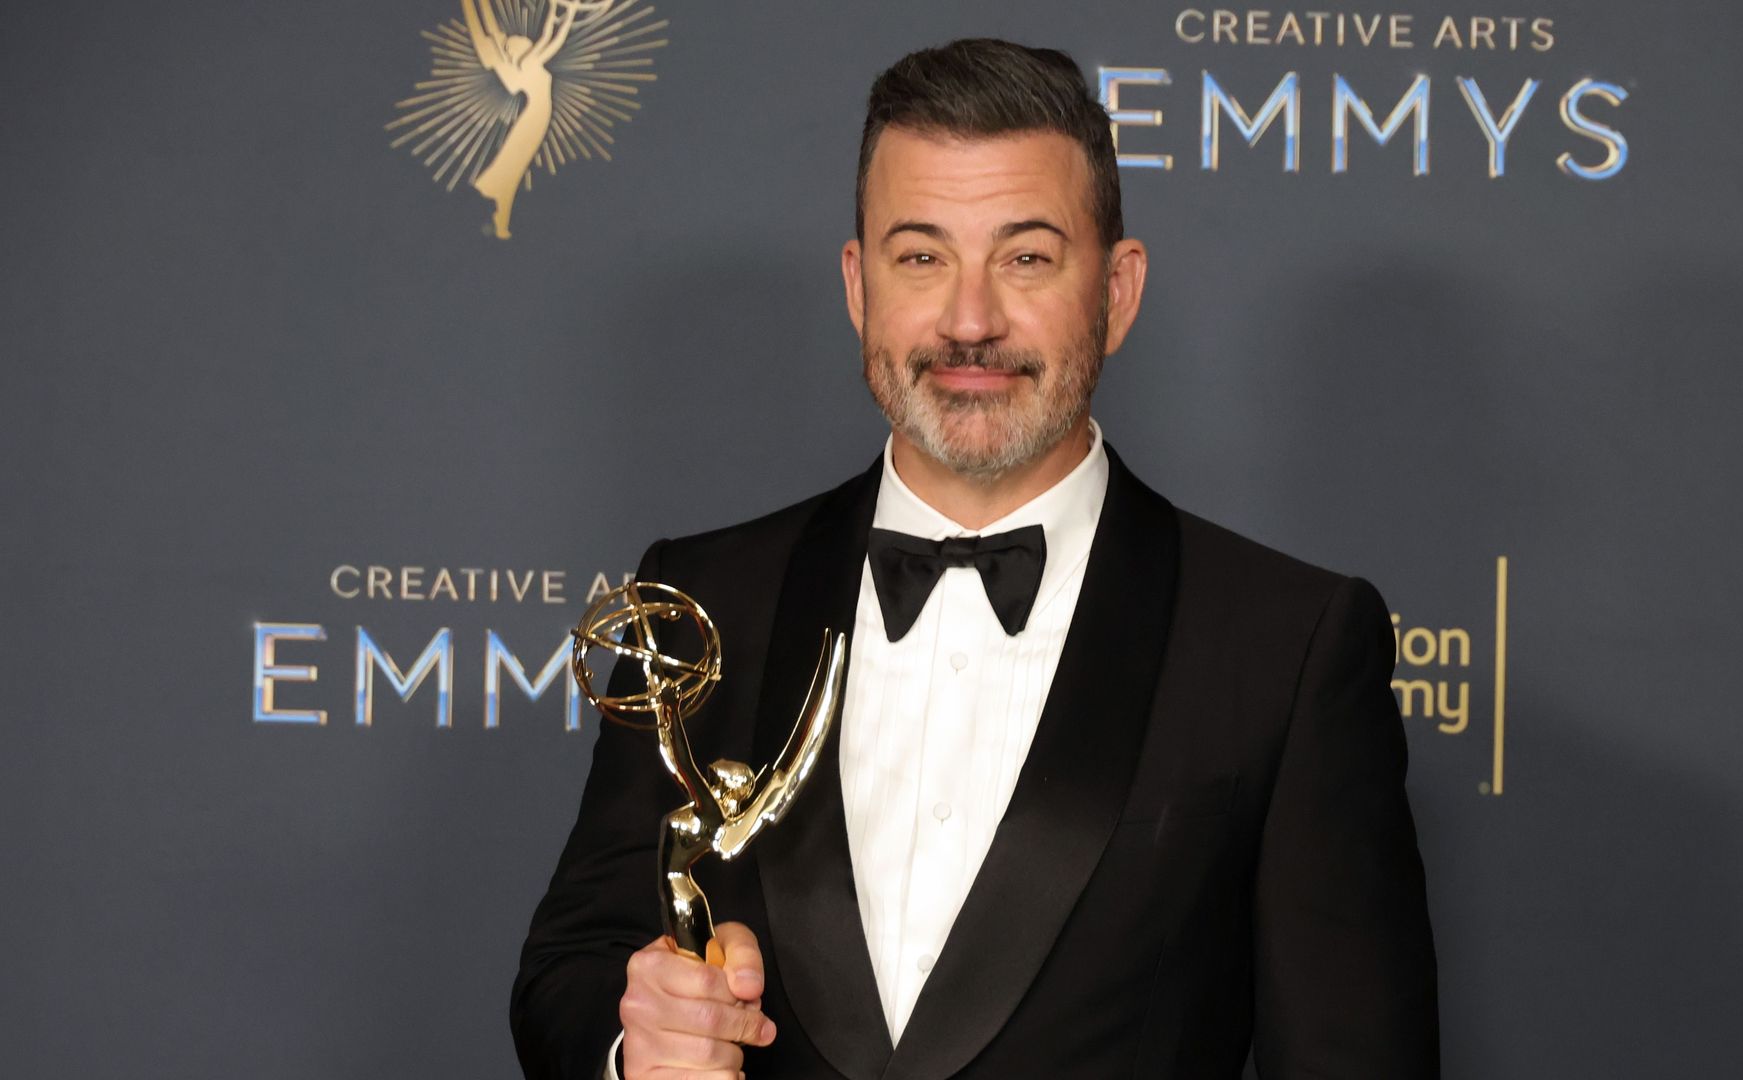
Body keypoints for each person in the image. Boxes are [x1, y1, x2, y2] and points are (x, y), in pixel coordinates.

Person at [511, 38, 1439, 1080]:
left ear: (1118, 292)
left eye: (1027, 257)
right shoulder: (702, 597)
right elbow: (571, 970)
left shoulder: (1288, 645)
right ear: (860, 288)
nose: (969, 320)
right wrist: (634, 1042)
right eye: (922, 256)